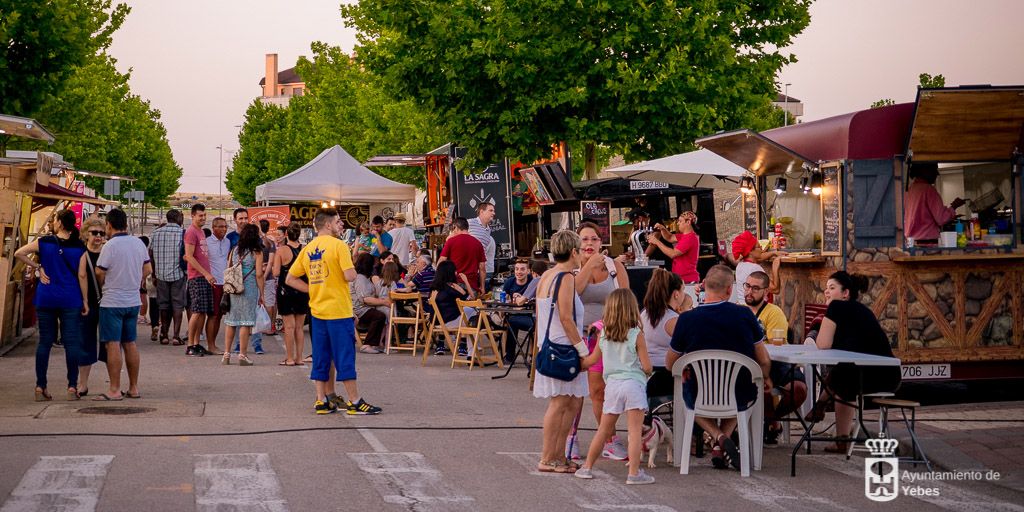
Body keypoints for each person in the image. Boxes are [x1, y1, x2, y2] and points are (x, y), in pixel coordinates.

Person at [665, 264, 772, 470]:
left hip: (699, 395)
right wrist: (765, 376)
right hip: (739, 393)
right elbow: (764, 359)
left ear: (703, 285)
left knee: (685, 393)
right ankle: (723, 441)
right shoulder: (745, 315)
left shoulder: (686, 319)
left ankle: (719, 437)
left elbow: (671, 364)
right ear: (730, 290)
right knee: (747, 391)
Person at [285, 208, 382, 415]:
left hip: (318, 311)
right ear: (327, 224)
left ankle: (321, 400)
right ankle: (354, 401)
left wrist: (312, 288)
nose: (341, 225)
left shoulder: (309, 248)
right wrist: (353, 268)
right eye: (338, 221)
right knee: (344, 355)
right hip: (338, 310)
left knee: (321, 356)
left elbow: (290, 278)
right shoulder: (339, 245)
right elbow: (349, 276)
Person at [805, 271, 901, 453]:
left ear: (845, 293)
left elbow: (823, 344)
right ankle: (841, 438)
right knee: (845, 376)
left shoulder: (837, 307)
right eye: (826, 288)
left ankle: (822, 405)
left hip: (867, 375)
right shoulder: (864, 311)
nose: (826, 292)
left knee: (843, 375)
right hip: (889, 376)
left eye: (832, 288)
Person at [574, 289, 655, 484]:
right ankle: (634, 474)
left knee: (603, 429)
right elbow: (647, 366)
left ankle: (586, 467)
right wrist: (646, 371)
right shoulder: (637, 334)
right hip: (633, 385)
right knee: (634, 432)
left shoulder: (604, 335)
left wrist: (576, 364)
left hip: (612, 386)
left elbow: (592, 360)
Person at [15, 209, 87, 401]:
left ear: (61, 223)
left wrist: (38, 267)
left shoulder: (44, 242)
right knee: (71, 343)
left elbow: (19, 253)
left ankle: (40, 386)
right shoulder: (79, 246)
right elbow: (82, 275)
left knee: (45, 342)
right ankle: (72, 386)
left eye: (55, 219)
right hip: (70, 299)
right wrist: (86, 300)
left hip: (46, 297)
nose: (54, 222)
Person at [533, 230, 587, 474]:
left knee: (571, 401)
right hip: (563, 345)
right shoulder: (565, 277)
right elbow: (566, 318)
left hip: (549, 344)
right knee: (560, 402)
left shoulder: (547, 275)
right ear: (573, 252)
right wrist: (583, 349)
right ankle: (548, 457)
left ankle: (558, 456)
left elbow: (542, 316)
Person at [575, 221, 629, 461]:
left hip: (609, 337)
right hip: (579, 337)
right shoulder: (571, 268)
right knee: (574, 392)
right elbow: (573, 292)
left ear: (601, 242)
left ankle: (609, 438)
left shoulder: (615, 267)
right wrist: (588, 266)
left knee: (602, 391)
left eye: (594, 239)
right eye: (584, 239)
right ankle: (571, 436)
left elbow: (626, 300)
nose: (589, 244)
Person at [743, 270, 807, 445]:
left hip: (776, 363)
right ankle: (768, 423)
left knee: (799, 389)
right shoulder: (738, 311)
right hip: (748, 364)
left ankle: (770, 420)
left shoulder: (773, 312)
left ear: (766, 292)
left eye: (755, 288)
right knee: (759, 386)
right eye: (747, 286)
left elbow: (776, 347)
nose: (749, 291)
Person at [94, 208, 152, 401]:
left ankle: (115, 389)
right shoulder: (138, 244)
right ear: (126, 224)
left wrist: (103, 286)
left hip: (112, 302)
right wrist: (135, 281)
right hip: (133, 300)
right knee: (130, 343)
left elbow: (100, 272)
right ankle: (134, 387)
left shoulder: (109, 246)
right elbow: (147, 269)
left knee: (113, 344)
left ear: (109, 225)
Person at [640, 268, 692, 400]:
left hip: (645, 373)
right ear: (676, 294)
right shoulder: (673, 320)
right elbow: (690, 347)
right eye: (683, 290)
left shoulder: (645, 313)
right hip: (667, 376)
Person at [220, 224, 265, 366]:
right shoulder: (257, 252)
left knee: (231, 321)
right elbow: (258, 274)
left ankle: (226, 354)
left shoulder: (235, 250)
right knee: (245, 322)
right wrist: (262, 293)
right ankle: (242, 355)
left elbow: (228, 268)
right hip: (249, 288)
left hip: (234, 288)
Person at [76, 217, 107, 398]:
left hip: (107, 304)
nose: (98, 236)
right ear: (86, 234)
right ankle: (83, 384)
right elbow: (82, 276)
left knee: (109, 345)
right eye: (94, 233)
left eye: (101, 233)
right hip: (89, 305)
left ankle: (114, 384)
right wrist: (85, 301)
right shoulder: (82, 253)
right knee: (85, 343)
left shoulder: (107, 252)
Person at [273, 224, 309, 366]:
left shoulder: (281, 250)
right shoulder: (305, 249)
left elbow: (276, 272)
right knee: (299, 327)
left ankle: (289, 358)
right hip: (302, 289)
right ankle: (299, 358)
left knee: (289, 327)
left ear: (286, 234)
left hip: (286, 290)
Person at [904, 162, 966, 244]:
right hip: (927, 243)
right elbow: (941, 218)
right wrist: (954, 206)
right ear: (924, 170)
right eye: (934, 169)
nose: (937, 174)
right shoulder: (929, 190)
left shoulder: (910, 190)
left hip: (911, 242)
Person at [183, 204, 216, 357]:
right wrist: (205, 273)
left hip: (204, 277)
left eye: (204, 215)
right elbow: (189, 256)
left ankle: (196, 343)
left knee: (203, 311)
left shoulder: (201, 231)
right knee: (196, 311)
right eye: (199, 216)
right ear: (193, 216)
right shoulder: (190, 232)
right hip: (197, 277)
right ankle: (190, 345)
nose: (203, 218)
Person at [149, 209, 186, 345]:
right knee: (178, 305)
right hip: (178, 274)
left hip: (160, 274)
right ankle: (176, 336)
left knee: (163, 305)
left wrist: (154, 273)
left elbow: (150, 253)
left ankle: (164, 335)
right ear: (178, 219)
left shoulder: (156, 233)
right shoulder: (182, 233)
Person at [646, 211, 700, 302]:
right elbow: (670, 237)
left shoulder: (690, 238)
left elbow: (673, 254)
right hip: (681, 279)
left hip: (687, 280)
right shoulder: (685, 236)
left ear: (688, 222)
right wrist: (663, 229)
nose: (678, 223)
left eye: (680, 221)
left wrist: (657, 242)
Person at [729, 230, 783, 304]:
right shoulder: (754, 268)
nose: (761, 248)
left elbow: (760, 257)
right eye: (758, 247)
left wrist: (773, 253)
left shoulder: (740, 265)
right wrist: (775, 267)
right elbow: (775, 289)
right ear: (750, 251)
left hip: (743, 306)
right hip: (755, 310)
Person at [351, 253, 390, 354]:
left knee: (380, 314)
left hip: (362, 307)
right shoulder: (360, 279)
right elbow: (365, 299)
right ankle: (368, 343)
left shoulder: (363, 278)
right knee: (379, 316)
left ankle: (376, 343)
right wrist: (384, 302)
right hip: (359, 309)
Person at [438, 217, 486, 293]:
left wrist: (438, 280)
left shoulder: (451, 241)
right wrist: (482, 287)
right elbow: (482, 267)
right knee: (470, 305)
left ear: (456, 227)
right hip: (472, 286)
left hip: (455, 286)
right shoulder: (478, 243)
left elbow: (441, 261)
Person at [205, 217, 231, 352]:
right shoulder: (207, 242)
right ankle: (210, 345)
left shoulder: (227, 242)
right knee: (213, 315)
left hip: (225, 283)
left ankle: (213, 343)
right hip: (213, 283)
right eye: (220, 226)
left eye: (225, 226)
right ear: (213, 228)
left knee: (220, 315)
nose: (224, 229)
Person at [468, 202, 497, 283]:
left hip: (481, 270)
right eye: (490, 210)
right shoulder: (469, 223)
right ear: (481, 212)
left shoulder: (488, 230)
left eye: (493, 211)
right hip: (469, 270)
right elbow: (452, 237)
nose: (493, 213)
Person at [258, 220, 278, 338]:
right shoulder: (271, 243)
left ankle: (260, 326)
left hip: (257, 275)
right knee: (269, 301)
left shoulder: (256, 242)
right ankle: (269, 326)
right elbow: (270, 263)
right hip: (268, 276)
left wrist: (261, 277)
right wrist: (265, 277)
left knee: (259, 301)